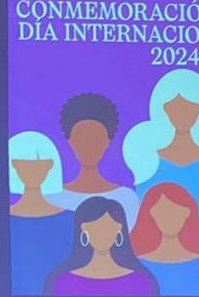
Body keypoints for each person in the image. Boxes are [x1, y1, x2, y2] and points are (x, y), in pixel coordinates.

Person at [123, 69, 199, 245]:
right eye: (175, 107)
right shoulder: (148, 159)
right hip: (151, 254)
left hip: (198, 253)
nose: (182, 114)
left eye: (190, 107)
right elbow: (141, 224)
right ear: (165, 110)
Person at [131, 182, 199, 296]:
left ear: (186, 213)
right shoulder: (137, 267)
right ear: (152, 215)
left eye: (175, 211)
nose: (168, 218)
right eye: (162, 211)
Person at [47, 92, 139, 227]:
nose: (88, 146)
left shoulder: (127, 199)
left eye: (96, 138)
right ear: (70, 141)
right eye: (81, 138)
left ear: (107, 141)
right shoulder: (52, 199)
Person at [42, 196, 158, 296]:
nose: (102, 233)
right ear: (84, 229)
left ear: (119, 229)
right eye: (96, 227)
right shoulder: (62, 282)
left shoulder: (141, 282)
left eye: (107, 227)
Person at [7, 130, 73, 295]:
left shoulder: (71, 219)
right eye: (24, 165)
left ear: (49, 166)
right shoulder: (3, 220)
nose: (32, 171)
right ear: (14, 166)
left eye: (39, 165)